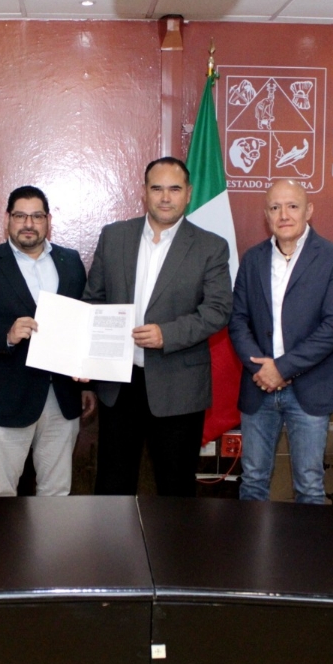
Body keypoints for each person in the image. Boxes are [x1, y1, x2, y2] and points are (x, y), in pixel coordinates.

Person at [83, 157, 232, 497]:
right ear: (144, 192)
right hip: (119, 385)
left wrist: (168, 334)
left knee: (174, 489)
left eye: (175, 189)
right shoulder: (114, 236)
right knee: (112, 487)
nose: (166, 197)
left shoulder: (211, 247)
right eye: (157, 188)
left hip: (178, 385)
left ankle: (173, 537)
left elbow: (218, 310)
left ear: (189, 193)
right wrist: (84, 358)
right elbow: (94, 301)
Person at [0, 186, 93, 496]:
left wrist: (87, 380)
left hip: (62, 396)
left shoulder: (70, 262)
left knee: (57, 493)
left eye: (37, 216)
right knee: (2, 492)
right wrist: (6, 334)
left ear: (48, 221)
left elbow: (84, 323)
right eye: (20, 216)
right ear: (7, 219)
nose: (29, 224)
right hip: (6, 397)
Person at [229, 179, 333, 504]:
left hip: (310, 388)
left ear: (309, 210)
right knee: (252, 481)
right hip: (258, 387)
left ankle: (307, 543)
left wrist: (281, 369)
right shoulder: (252, 259)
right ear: (266, 215)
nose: (283, 215)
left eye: (292, 206)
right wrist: (261, 369)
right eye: (275, 207)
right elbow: (238, 320)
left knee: (309, 485)